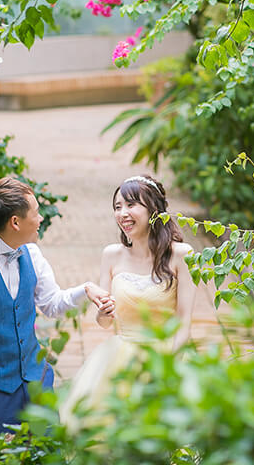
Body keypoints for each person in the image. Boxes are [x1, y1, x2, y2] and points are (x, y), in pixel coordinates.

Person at [0, 176, 112, 439]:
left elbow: (51, 303)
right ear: (15, 222)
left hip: (37, 382)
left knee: (50, 454)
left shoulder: (32, 253)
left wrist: (86, 289)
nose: (40, 219)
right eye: (36, 213)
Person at [59, 174, 194, 424]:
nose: (122, 213)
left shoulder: (181, 255)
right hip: (122, 357)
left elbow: (185, 322)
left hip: (167, 356)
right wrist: (103, 312)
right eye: (117, 207)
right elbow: (104, 323)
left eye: (131, 205)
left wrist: (166, 369)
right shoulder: (111, 255)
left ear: (154, 208)